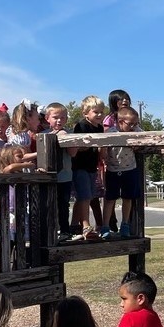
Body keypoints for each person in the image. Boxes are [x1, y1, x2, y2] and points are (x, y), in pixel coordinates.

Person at [100, 106, 142, 239]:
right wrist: (104, 154)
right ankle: (105, 226)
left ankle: (125, 224)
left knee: (128, 197)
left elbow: (144, 139)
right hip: (113, 169)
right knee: (110, 198)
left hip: (130, 169)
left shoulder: (136, 131)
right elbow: (102, 150)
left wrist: (138, 144)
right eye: (130, 124)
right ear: (120, 121)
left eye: (135, 123)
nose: (133, 126)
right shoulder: (110, 133)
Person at [71, 95, 106, 241]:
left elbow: (100, 146)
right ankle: (85, 225)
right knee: (84, 195)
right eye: (95, 112)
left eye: (101, 112)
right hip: (80, 166)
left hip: (92, 166)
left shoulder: (100, 127)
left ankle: (73, 225)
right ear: (86, 113)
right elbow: (77, 146)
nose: (99, 115)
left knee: (86, 196)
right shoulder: (81, 126)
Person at [43, 103, 78, 242]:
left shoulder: (67, 134)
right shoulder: (44, 135)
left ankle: (64, 230)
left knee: (63, 205)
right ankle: (50, 230)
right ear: (47, 118)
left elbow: (73, 153)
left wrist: (68, 139)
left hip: (64, 176)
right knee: (48, 204)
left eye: (62, 118)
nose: (59, 120)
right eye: (55, 117)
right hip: (48, 176)